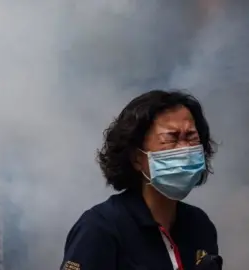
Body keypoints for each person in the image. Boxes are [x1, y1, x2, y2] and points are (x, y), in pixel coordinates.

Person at [60, 90, 221, 270]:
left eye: (191, 137)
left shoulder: (199, 225)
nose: (184, 149)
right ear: (137, 158)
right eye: (171, 138)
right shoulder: (100, 229)